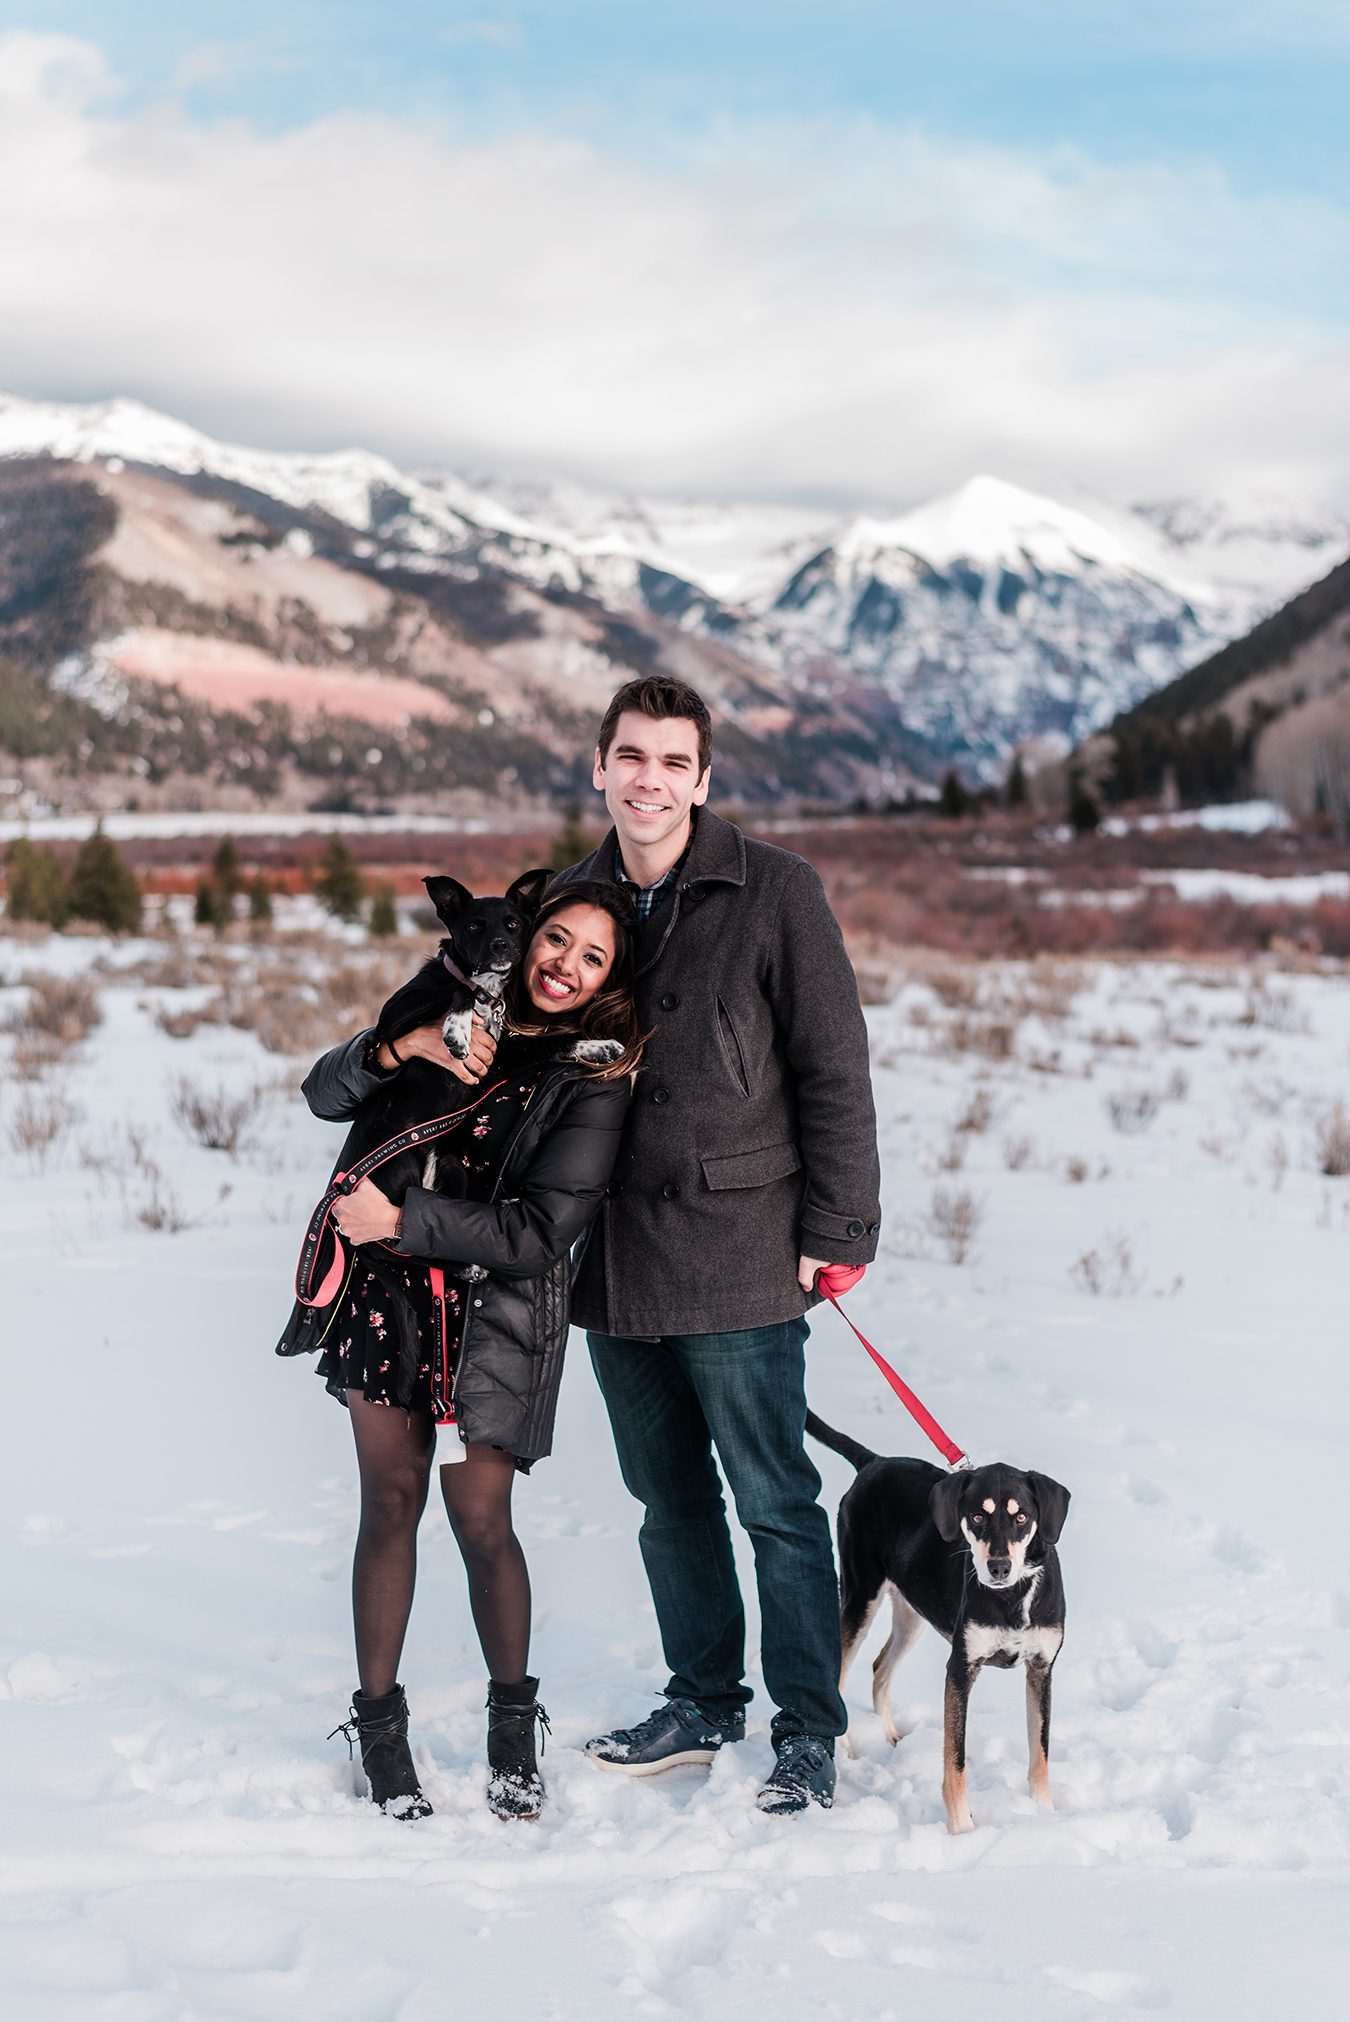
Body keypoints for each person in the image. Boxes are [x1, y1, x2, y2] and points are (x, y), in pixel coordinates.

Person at [555, 674, 882, 1816]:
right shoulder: (570, 899)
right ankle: (700, 1704)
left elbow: (834, 1068)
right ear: (598, 766)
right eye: (630, 756)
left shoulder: (775, 889)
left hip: (743, 1245)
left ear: (705, 778)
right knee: (667, 1502)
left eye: (673, 762)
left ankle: (807, 1732)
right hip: (608, 1260)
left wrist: (840, 1228)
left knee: (778, 1503)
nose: (650, 779)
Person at [298, 881, 642, 1822]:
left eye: (592, 957)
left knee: (481, 1521)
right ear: (527, 937)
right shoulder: (449, 1009)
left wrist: (400, 1217)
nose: (563, 964)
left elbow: (540, 1231)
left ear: (611, 979)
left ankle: (509, 1728)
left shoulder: (595, 1074)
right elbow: (322, 1090)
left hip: (493, 1312)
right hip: (387, 1297)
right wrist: (392, 1048)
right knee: (390, 1506)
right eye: (556, 940)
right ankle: (381, 1731)